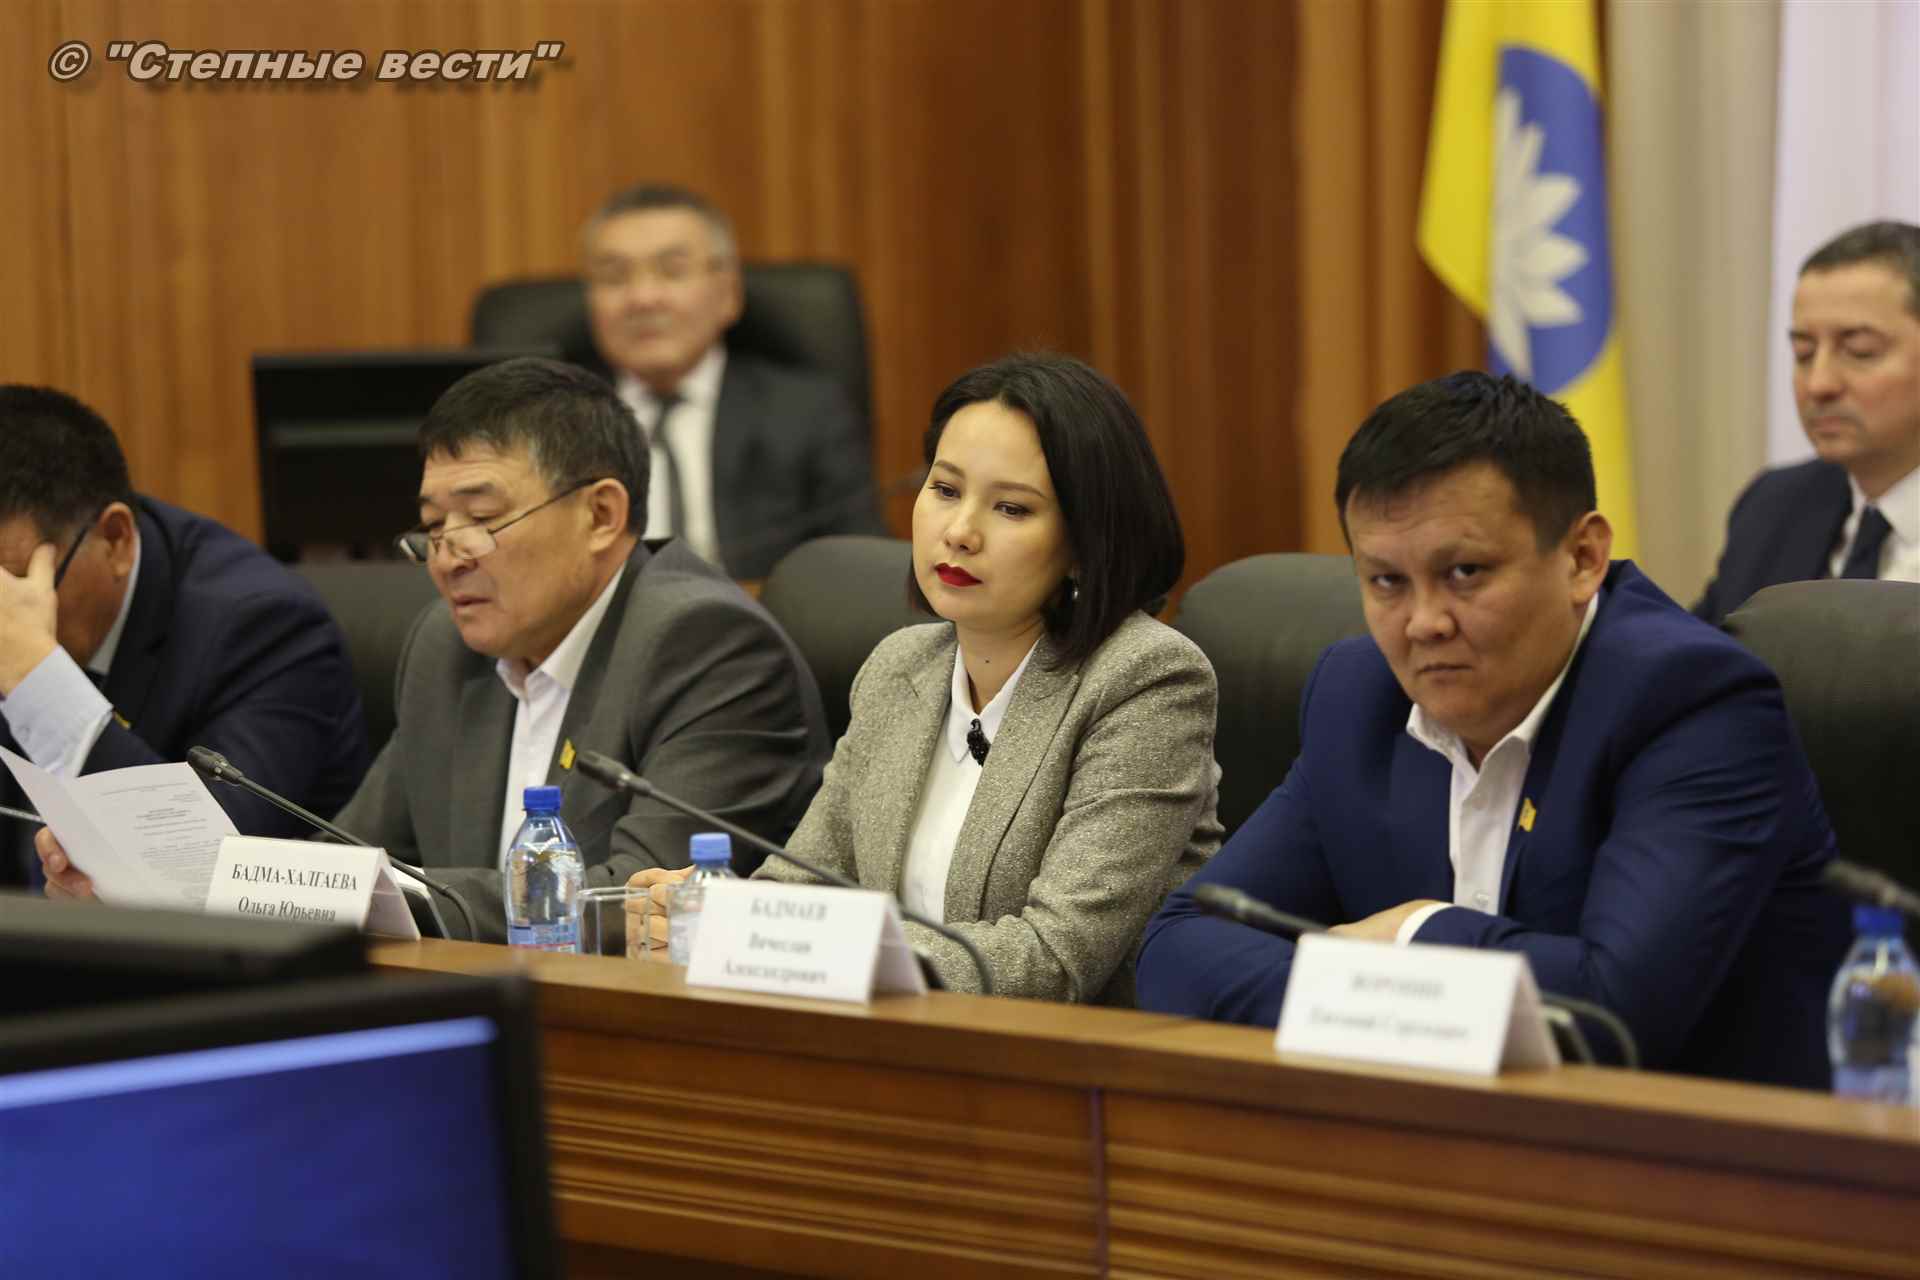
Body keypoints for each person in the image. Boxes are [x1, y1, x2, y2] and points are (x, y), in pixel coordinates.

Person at [1137, 372, 1848, 1088]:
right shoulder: (1359, 697)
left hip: (1704, 1146)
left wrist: (1414, 932)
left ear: (1582, 559)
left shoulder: (1693, 704)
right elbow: (1180, 945)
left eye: (1465, 572)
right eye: (1386, 581)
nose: (1424, 623)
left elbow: (1611, 1014)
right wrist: (1369, 989)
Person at [41, 358, 831, 941]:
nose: (448, 557)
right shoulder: (447, 649)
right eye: (432, 527)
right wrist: (163, 891)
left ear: (601, 515)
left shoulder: (704, 646)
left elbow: (634, 904)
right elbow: (345, 859)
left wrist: (377, 897)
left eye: (481, 520)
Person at [628, 353, 1222, 1002]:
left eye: (1011, 508)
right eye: (944, 490)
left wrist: (832, 949)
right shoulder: (900, 668)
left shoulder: (1144, 680)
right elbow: (801, 889)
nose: (959, 532)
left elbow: (1054, 958)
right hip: (894, 1039)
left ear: (1085, 543)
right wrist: (716, 919)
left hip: (1072, 1054)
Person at [0, 385, 367, 887]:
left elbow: (201, 871)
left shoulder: (266, 629)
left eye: (15, 589)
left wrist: (39, 681)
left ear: (115, 540)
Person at [580, 183, 885, 579]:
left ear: (729, 292)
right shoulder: (558, 422)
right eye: (614, 276)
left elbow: (863, 570)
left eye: (672, 271)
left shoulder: (807, 413)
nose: (643, 297)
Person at [1694, 220, 1920, 623]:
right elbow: (1698, 655)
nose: (1819, 384)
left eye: (1860, 351)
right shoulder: (1775, 506)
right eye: (1804, 353)